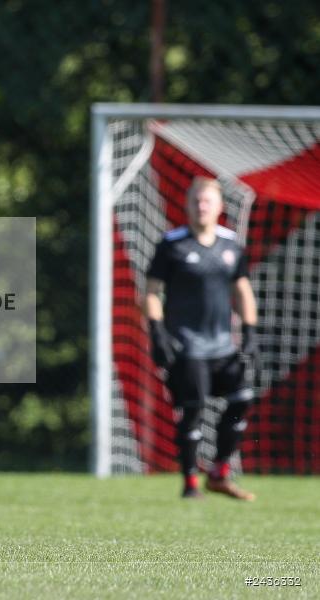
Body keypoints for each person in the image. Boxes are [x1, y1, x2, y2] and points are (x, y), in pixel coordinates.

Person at [143, 177, 259, 500]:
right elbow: (151, 292)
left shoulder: (230, 244)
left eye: (207, 201)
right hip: (187, 345)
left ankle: (220, 470)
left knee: (242, 400)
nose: (201, 206)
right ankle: (191, 482)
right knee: (192, 410)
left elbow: (243, 291)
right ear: (187, 204)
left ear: (220, 207)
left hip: (223, 344)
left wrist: (249, 333)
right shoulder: (173, 244)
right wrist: (157, 331)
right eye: (196, 200)